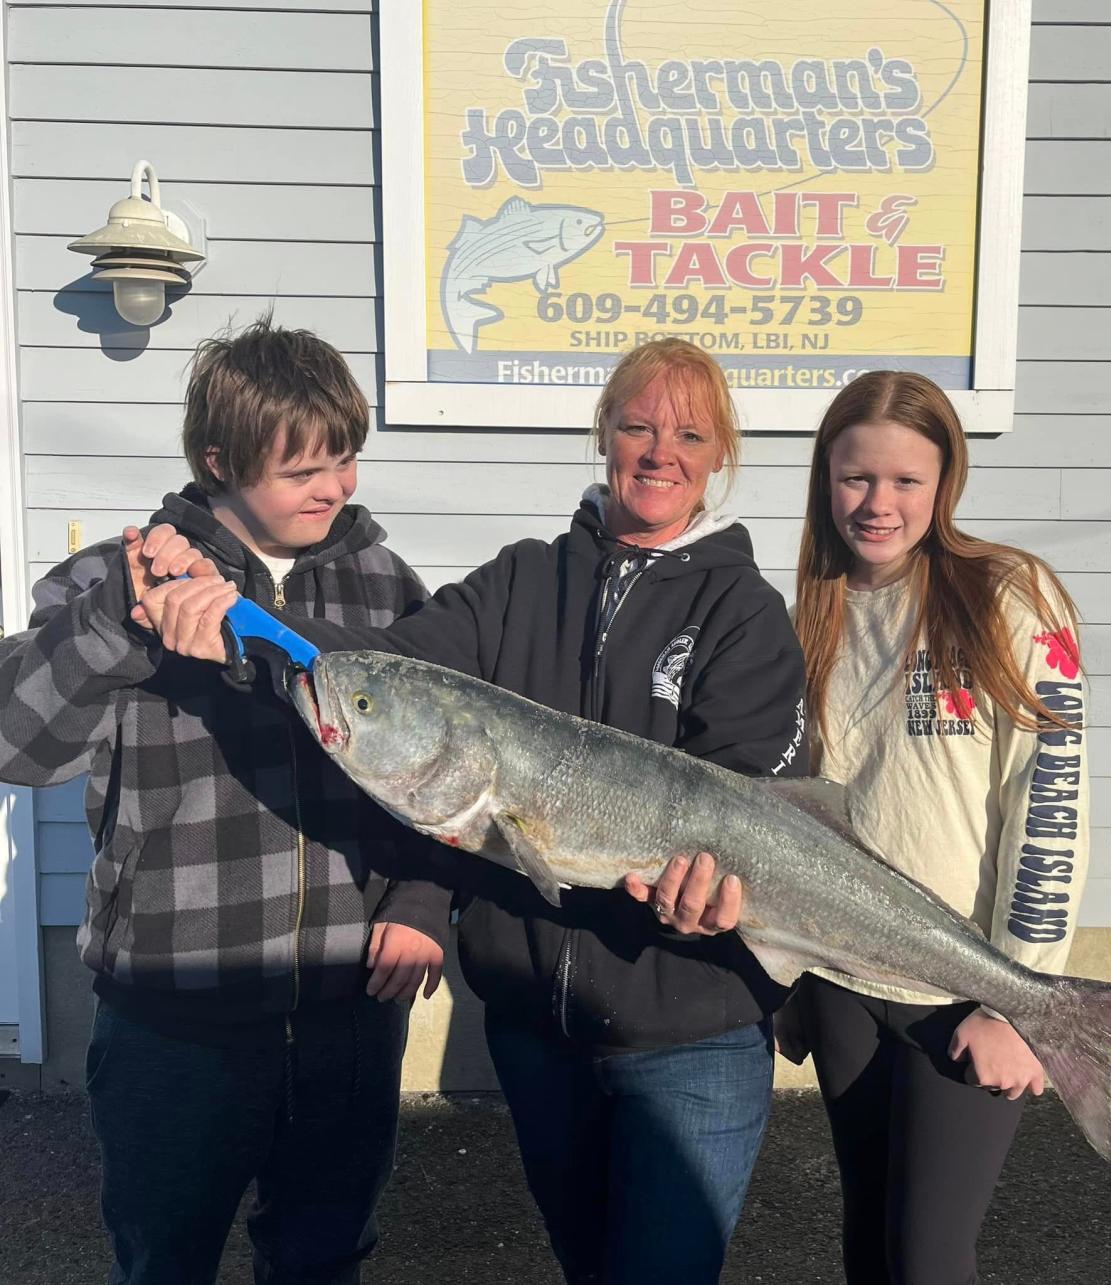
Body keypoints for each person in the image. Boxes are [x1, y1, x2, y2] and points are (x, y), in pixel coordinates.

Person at [136, 338, 810, 1285]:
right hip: (538, 1030)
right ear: (603, 434)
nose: (660, 453)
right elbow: (380, 665)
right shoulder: (518, 581)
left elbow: (761, 799)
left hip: (687, 1024)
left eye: (690, 435)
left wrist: (725, 894)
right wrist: (235, 609)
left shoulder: (743, 610)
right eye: (637, 426)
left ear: (719, 455)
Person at [0, 318, 451, 1285]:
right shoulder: (111, 580)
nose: (337, 488)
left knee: (323, 1257)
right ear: (219, 461)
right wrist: (123, 625)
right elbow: (19, 745)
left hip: (348, 1008)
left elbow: (445, 775)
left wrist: (421, 901)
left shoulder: (387, 588)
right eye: (304, 472)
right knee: (167, 1261)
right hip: (175, 1016)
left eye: (347, 459)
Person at [779, 371, 1091, 1285]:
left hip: (968, 988)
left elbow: (1053, 801)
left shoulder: (1012, 595)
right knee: (870, 1243)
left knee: (928, 1257)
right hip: (841, 979)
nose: (877, 504)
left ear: (945, 482)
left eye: (905, 481)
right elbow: (799, 814)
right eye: (855, 477)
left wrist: (1020, 1001)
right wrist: (791, 966)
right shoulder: (812, 612)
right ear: (824, 479)